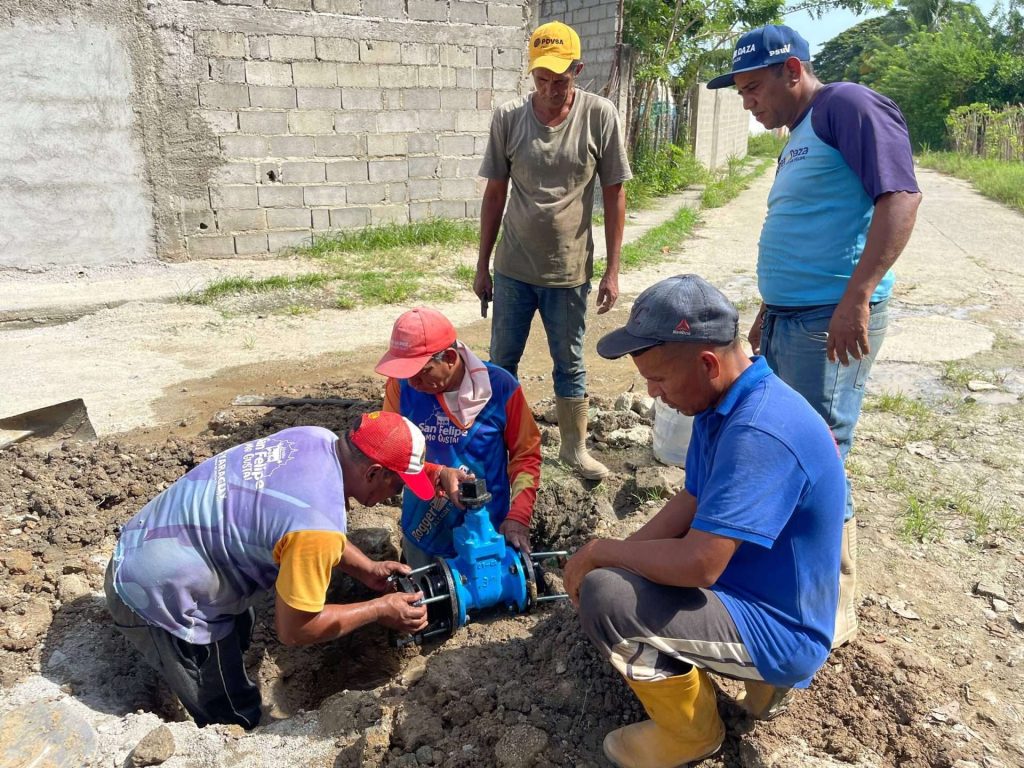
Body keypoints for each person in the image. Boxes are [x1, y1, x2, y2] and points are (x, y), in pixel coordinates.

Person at [563, 275, 847, 768]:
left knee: (609, 599)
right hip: (758, 594)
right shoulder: (727, 402)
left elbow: (699, 565)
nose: (653, 393)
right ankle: (758, 684)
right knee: (617, 576)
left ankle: (692, 734)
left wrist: (603, 555)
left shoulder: (760, 431)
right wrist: (620, 552)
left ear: (708, 362)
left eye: (660, 380)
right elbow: (692, 499)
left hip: (783, 627)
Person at [707, 24, 922, 647]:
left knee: (819, 452)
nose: (748, 102)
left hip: (827, 321)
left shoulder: (846, 105)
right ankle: (783, 571)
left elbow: (900, 197)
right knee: (781, 444)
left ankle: (834, 599)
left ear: (792, 70)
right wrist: (767, 310)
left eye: (753, 88)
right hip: (790, 318)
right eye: (741, 92)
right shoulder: (800, 131)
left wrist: (857, 296)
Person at [105, 411, 467, 730]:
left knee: (238, 628)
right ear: (373, 472)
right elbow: (295, 630)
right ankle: (240, 730)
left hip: (153, 537)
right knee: (227, 706)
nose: (396, 494)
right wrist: (379, 609)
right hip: (157, 592)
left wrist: (367, 569)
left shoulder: (316, 439)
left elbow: (297, 522)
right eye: (397, 483)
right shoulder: (316, 528)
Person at [475, 20, 632, 481]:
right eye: (541, 80)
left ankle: (573, 448)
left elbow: (615, 193)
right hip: (513, 269)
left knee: (570, 363)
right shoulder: (508, 118)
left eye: (560, 81)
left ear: (578, 71)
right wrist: (482, 265)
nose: (549, 90)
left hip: (568, 272)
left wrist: (612, 270)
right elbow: (493, 195)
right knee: (502, 362)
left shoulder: (599, 115)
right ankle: (497, 449)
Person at [374, 307, 542, 566]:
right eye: (407, 373)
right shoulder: (401, 387)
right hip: (422, 530)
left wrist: (518, 516)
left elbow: (526, 456)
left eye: (423, 372)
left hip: (486, 534)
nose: (413, 383)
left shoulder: (500, 389)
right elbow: (389, 451)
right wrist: (436, 472)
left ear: (450, 358)